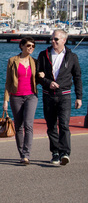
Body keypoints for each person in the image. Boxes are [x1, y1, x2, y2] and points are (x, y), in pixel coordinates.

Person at [36, 29, 82, 166]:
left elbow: (77, 77)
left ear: (63, 40)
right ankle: (55, 152)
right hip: (48, 96)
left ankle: (65, 153)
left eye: (56, 39)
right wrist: (48, 83)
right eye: (52, 39)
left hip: (65, 96)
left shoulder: (72, 56)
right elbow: (37, 75)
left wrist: (79, 97)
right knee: (51, 126)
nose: (53, 41)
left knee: (64, 125)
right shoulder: (43, 55)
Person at [3, 37, 38, 164]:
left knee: (28, 125)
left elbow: (40, 78)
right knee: (19, 126)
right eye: (28, 46)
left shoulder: (35, 62)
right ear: (22, 46)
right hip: (16, 96)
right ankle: (21, 152)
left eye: (33, 46)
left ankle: (26, 154)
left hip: (31, 96)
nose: (31, 48)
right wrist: (5, 100)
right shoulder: (12, 61)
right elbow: (8, 82)